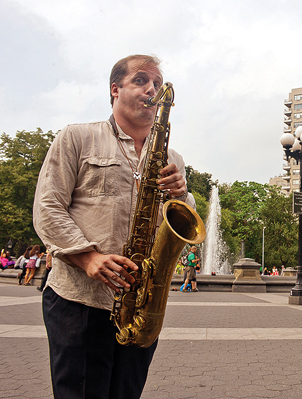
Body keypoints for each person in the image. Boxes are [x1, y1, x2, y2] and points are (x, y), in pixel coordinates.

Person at [33, 54, 188, 399]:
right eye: (141, 80)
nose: (152, 88)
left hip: (141, 303)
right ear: (115, 89)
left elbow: (182, 222)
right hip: (80, 299)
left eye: (158, 83)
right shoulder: (77, 137)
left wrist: (181, 195)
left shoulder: (172, 158)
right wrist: (88, 258)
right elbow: (47, 207)